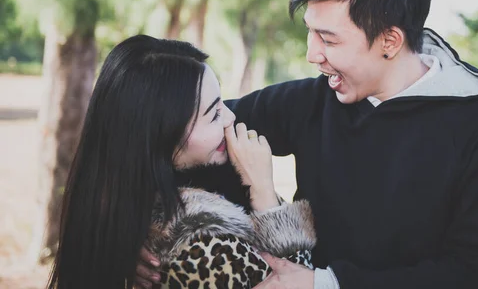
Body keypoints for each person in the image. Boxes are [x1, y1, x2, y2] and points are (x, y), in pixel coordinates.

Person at [137, 0, 478, 289]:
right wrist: (128, 227)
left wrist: (324, 285)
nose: (311, 54)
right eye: (310, 31)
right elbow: (178, 133)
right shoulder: (311, 101)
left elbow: (476, 276)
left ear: (390, 40)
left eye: (328, 39)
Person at [47, 35, 316, 289]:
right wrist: (265, 195)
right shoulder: (204, 249)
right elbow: (294, 280)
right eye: (213, 114)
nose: (230, 118)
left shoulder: (126, 209)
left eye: (222, 102)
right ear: (160, 137)